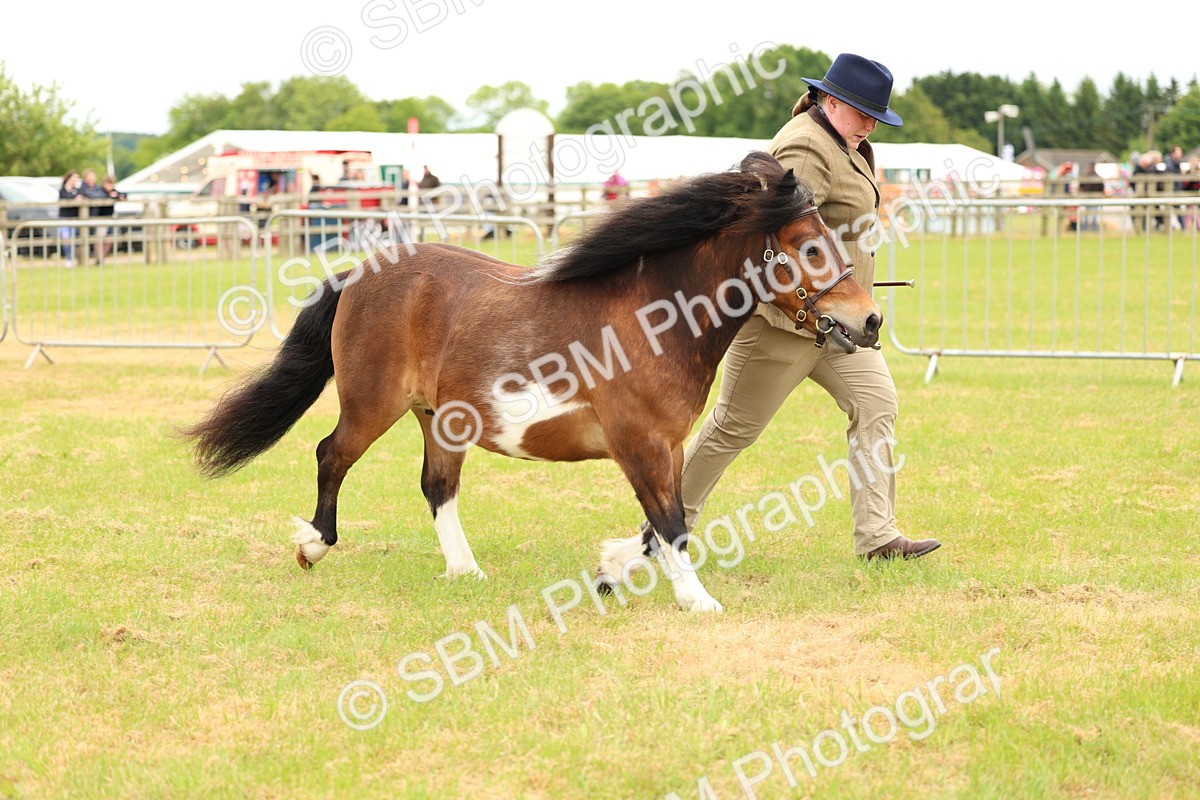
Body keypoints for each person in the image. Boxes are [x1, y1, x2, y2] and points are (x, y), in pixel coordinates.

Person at [639, 53, 940, 564]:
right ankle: (661, 532)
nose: (869, 123)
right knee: (734, 427)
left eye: (876, 115)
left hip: (841, 323)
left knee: (876, 405)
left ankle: (878, 537)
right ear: (830, 100)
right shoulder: (805, 144)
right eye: (862, 111)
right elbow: (783, 236)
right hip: (784, 323)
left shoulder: (848, 145)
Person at [77, 169, 110, 265]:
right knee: (84, 240)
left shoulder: (97, 188)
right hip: (85, 218)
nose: (91, 180)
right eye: (89, 178)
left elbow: (103, 196)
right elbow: (95, 195)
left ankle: (99, 259)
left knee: (101, 239)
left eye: (92, 178)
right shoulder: (82, 188)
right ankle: (83, 260)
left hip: (97, 217)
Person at [58, 170, 81, 268]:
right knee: (66, 238)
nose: (76, 180)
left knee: (74, 239)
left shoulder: (77, 190)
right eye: (74, 178)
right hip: (64, 218)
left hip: (74, 218)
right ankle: (69, 259)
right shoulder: (62, 190)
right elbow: (66, 200)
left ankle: (75, 259)